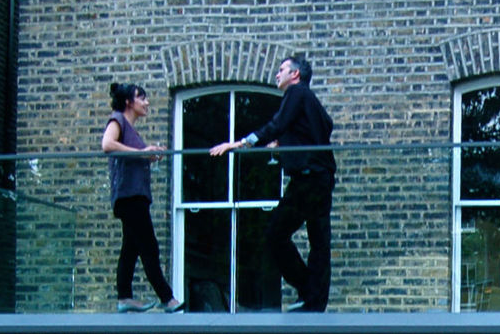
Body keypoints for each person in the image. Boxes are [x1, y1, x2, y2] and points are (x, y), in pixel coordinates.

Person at [210, 53, 335, 311]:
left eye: (282, 70)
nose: (277, 75)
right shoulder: (309, 101)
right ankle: (313, 300)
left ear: (295, 75)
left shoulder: (297, 93)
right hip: (319, 177)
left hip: (309, 179)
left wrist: (239, 143)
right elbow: (324, 126)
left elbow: (277, 123)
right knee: (318, 242)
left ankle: (309, 293)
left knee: (276, 235)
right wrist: (286, 143)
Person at [101, 82, 183, 313]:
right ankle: (168, 299)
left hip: (135, 196)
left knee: (130, 247)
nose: (146, 103)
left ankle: (125, 297)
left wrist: (148, 155)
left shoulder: (130, 128)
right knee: (149, 246)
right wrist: (141, 153)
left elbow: (131, 155)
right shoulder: (117, 119)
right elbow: (107, 144)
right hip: (129, 196)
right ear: (128, 102)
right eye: (142, 98)